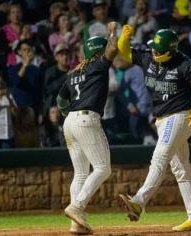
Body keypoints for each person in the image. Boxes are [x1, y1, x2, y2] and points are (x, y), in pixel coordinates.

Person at [116, 26, 191, 232]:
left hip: (180, 116)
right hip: (161, 120)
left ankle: (138, 202)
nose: (154, 52)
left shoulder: (185, 64)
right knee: (181, 170)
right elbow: (124, 52)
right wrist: (123, 38)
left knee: (159, 156)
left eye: (158, 50)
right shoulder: (148, 58)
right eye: (153, 48)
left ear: (170, 50)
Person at [57, 22, 118, 234]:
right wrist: (113, 30)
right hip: (86, 119)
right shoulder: (97, 65)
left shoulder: (73, 73)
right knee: (103, 168)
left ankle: (77, 223)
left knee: (81, 173)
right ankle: (77, 206)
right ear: (98, 52)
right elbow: (113, 49)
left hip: (70, 121)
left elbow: (60, 100)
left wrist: (68, 115)